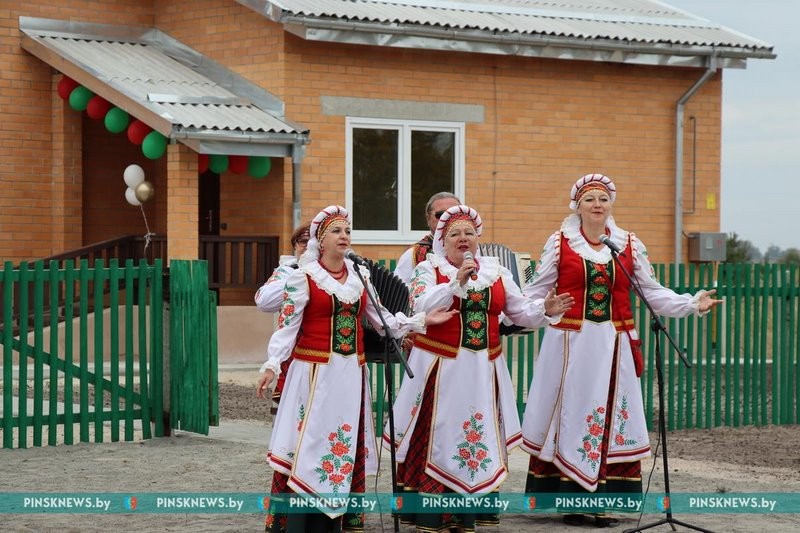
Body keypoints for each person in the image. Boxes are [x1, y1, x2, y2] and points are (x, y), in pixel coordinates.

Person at [520, 173, 723, 528]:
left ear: (610, 204)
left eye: (603, 199)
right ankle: (572, 499)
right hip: (570, 344)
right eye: (589, 199)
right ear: (577, 206)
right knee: (571, 414)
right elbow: (535, 293)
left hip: (614, 345)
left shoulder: (628, 243)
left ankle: (603, 499)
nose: (597, 205)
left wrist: (691, 303)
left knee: (611, 416)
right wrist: (543, 309)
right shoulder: (559, 243)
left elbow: (651, 292)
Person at [255, 205, 457, 533]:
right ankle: (299, 522)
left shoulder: (359, 278)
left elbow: (382, 321)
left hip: (350, 375)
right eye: (336, 231)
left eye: (347, 231)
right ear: (320, 240)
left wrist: (420, 321)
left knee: (341, 443)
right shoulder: (303, 277)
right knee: (309, 442)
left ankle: (331, 520)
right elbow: (287, 327)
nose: (344, 236)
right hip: (314, 374)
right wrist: (272, 365)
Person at [383, 204, 575, 532]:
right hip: (441, 370)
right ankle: (434, 515)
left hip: (483, 371)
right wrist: (454, 283)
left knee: (475, 437)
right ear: (442, 240)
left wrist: (544, 308)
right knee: (439, 436)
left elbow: (518, 311)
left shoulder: (496, 271)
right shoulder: (429, 269)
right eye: (455, 233)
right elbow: (419, 304)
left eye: (469, 233)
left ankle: (466, 513)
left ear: (478, 239)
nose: (463, 239)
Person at [254, 223, 311, 408]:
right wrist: (299, 275)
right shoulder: (288, 270)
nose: (308, 247)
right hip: (294, 352)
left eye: (313, 242)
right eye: (303, 242)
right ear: (295, 246)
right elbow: (264, 301)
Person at [394, 192, 461, 285]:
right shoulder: (413, 254)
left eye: (455, 214)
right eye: (441, 214)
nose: (448, 218)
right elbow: (398, 293)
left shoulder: (475, 251)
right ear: (428, 218)